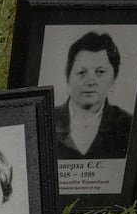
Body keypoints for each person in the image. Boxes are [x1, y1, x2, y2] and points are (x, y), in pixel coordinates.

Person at [54, 31, 132, 160]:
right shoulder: (46, 119)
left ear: (113, 80)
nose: (90, 81)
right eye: (81, 72)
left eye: (100, 72)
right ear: (68, 78)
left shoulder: (129, 126)